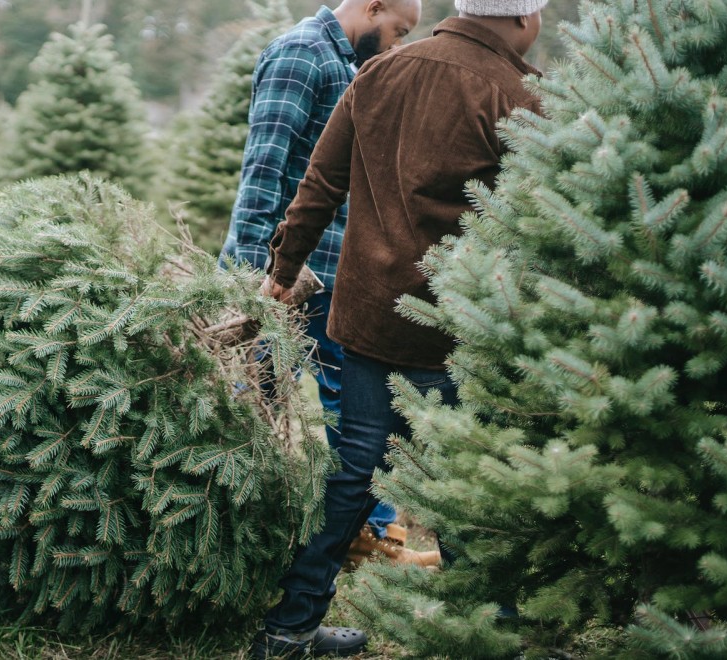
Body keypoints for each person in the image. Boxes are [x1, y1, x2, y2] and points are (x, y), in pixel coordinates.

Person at [251, 0, 547, 657]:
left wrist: (282, 267)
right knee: (462, 484)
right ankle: (490, 635)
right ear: (526, 20)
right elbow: (542, 226)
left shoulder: (381, 72)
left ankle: (289, 627)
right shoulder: (517, 97)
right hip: (453, 329)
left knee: (353, 471)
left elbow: (319, 183)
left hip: (366, 320)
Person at [223, 0, 427, 568]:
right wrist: (254, 278)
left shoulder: (355, 64)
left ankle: (372, 532)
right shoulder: (301, 56)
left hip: (336, 274)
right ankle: (237, 529)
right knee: (252, 401)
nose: (396, 44)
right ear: (373, 5)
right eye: (397, 30)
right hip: (280, 279)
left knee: (360, 409)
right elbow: (263, 169)